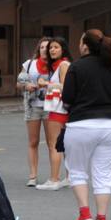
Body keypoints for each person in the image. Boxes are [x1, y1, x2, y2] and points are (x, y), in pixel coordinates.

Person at [61, 30, 111, 220]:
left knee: (77, 170)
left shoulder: (77, 67)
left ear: (84, 46)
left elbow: (67, 98)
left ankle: (84, 213)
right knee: (103, 172)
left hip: (81, 125)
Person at [37, 37, 72, 190]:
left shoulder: (63, 64)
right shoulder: (62, 64)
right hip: (64, 109)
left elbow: (65, 86)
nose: (52, 50)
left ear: (63, 49)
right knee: (66, 145)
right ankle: (69, 177)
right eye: (50, 47)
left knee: (54, 145)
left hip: (58, 109)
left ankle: (54, 179)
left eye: (56, 47)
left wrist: (46, 83)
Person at [17, 40, 50, 188]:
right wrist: (26, 85)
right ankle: (33, 176)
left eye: (47, 47)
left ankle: (54, 176)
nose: (44, 50)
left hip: (51, 106)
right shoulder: (29, 64)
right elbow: (18, 84)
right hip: (32, 107)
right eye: (42, 47)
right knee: (33, 141)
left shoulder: (57, 65)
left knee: (53, 143)